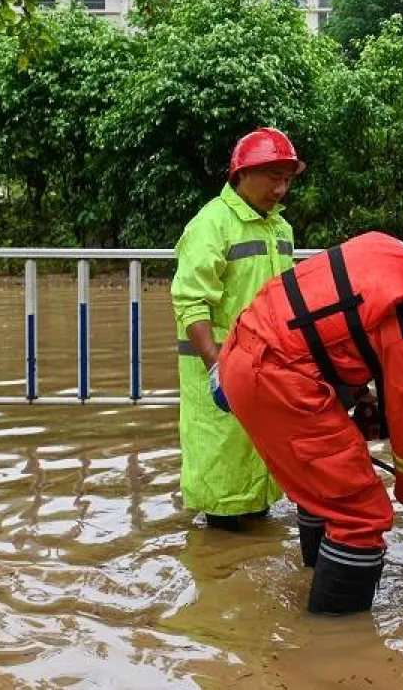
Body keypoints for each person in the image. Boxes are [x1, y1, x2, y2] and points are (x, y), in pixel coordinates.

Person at [216, 234, 403, 615]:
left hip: (250, 351)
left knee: (329, 488)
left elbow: (338, 325)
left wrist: (359, 397)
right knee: (362, 515)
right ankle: (341, 652)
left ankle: (314, 579)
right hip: (277, 376)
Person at [172, 128, 302, 531]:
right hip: (221, 371)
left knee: (258, 477)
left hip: (267, 369)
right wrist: (215, 365)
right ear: (241, 175)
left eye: (287, 178)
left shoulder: (280, 229)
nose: (280, 188)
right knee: (224, 489)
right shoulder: (212, 223)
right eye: (272, 177)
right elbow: (190, 300)